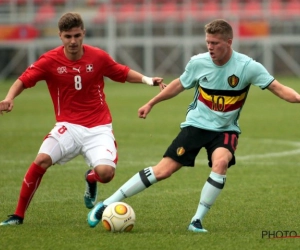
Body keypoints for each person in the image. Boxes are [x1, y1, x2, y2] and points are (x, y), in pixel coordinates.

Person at [87, 19, 300, 232]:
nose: (210, 47)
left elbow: (279, 88)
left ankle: (196, 221)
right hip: (196, 126)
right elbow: (179, 85)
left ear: (229, 42)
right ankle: (105, 204)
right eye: (208, 42)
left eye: (215, 43)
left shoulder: (247, 67)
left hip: (226, 130)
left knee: (221, 163)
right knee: (163, 171)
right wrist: (151, 103)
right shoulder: (198, 63)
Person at [0, 12, 164, 226]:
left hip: (99, 127)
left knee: (105, 174)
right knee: (41, 160)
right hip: (67, 126)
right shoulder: (49, 60)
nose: (73, 41)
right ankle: (17, 216)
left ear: (84, 33)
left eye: (77, 35)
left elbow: (121, 72)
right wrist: (9, 98)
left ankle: (91, 178)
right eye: (68, 36)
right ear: (60, 36)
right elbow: (23, 80)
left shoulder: (98, 57)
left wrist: (148, 80)